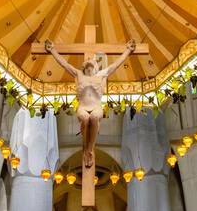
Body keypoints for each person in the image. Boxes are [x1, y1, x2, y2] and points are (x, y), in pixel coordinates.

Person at [44, 38, 135, 168]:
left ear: (96, 66)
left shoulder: (102, 74)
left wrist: (127, 50)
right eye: (87, 62)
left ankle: (89, 150)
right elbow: (63, 64)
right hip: (83, 106)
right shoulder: (78, 74)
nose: (89, 62)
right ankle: (86, 147)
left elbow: (116, 65)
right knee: (85, 118)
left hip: (96, 106)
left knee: (94, 117)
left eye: (92, 62)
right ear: (84, 66)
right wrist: (52, 50)